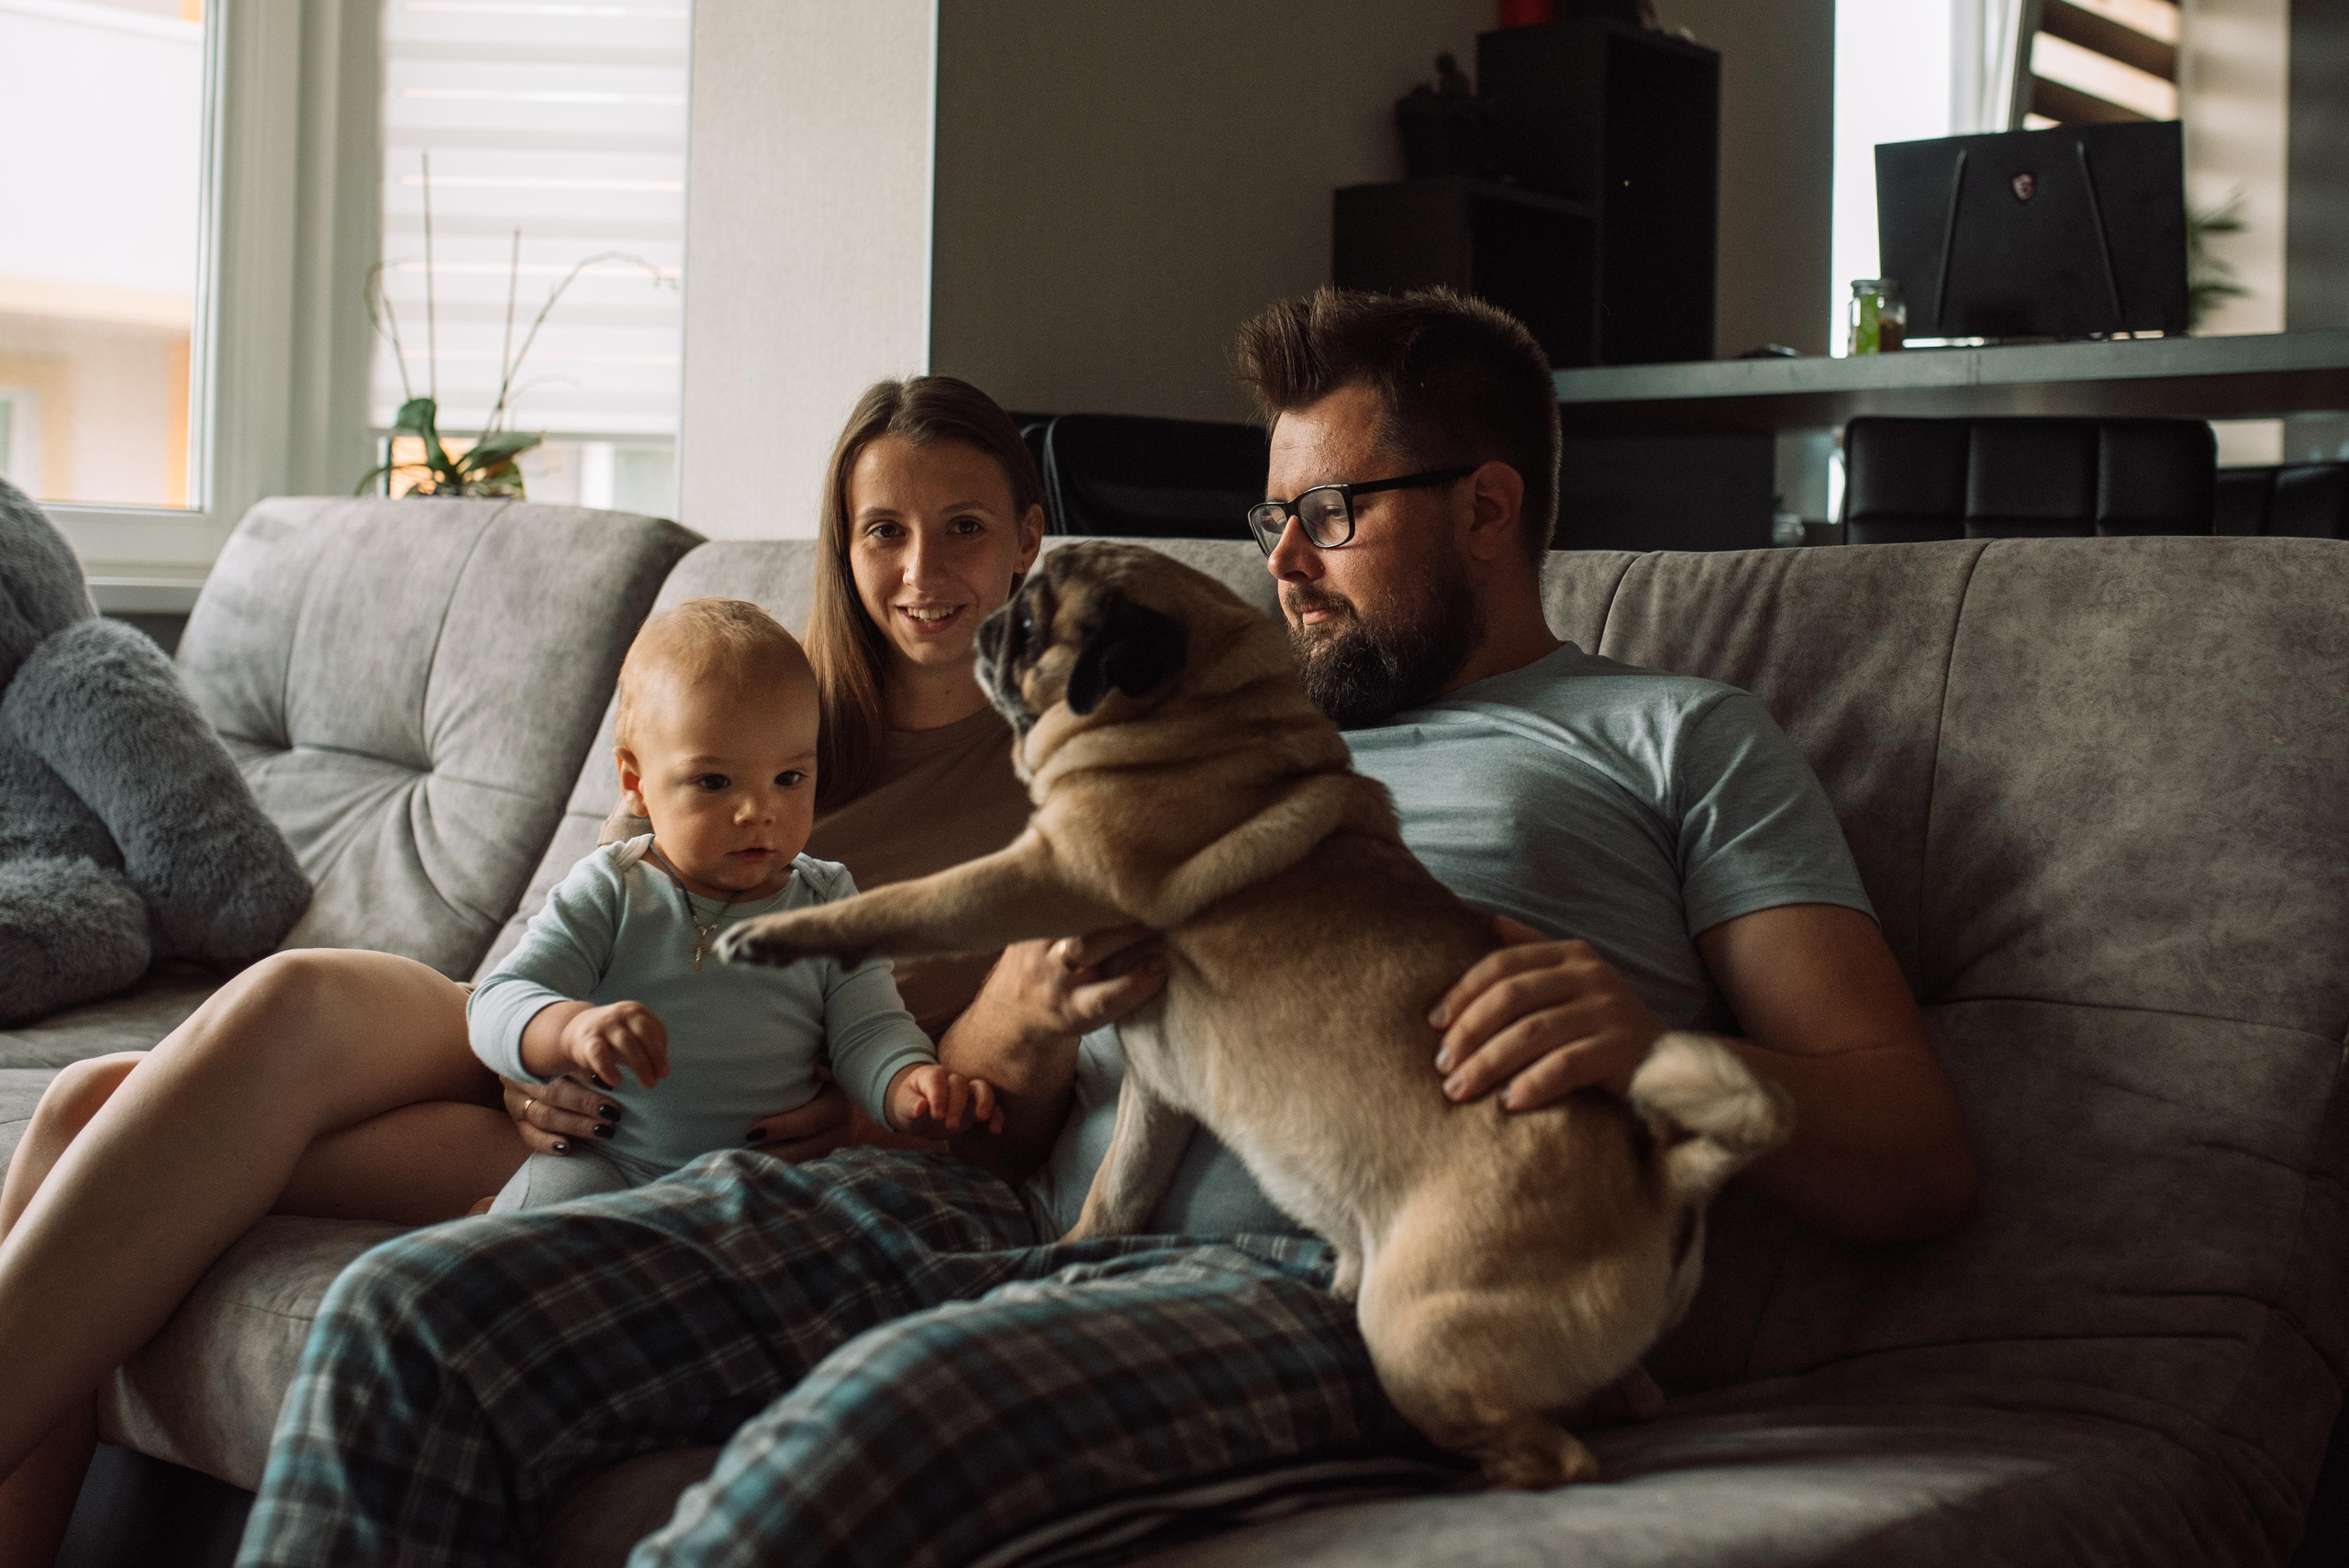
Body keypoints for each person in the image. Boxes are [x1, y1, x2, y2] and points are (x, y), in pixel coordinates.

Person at [234, 288, 1977, 1568]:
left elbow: (1910, 1151)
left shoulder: (1671, 737)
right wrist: (1042, 1001)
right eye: (1268, 513)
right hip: (1008, 1203)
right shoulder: (1166, 723)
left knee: (852, 1446)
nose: (1284, 563)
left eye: (1329, 512)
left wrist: (1644, 1039)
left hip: (1342, 1263)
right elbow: (982, 1076)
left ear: (1488, 507)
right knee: (413, 1317)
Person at [0, 375, 1064, 1564]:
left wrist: (869, 1116)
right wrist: (531, 1051)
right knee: (279, 1005)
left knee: (92, 1110)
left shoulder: (1065, 766)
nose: (923, 568)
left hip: (668, 1127)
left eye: (963, 526)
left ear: (1030, 533)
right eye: (885, 530)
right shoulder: (772, 690)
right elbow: (600, 893)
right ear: (846, 542)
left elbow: (1002, 1068)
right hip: (556, 1048)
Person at [475, 599, 998, 1215]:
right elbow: (498, 999)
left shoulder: (826, 901)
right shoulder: (612, 888)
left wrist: (907, 1083)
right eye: (715, 782)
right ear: (635, 781)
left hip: (762, 1181)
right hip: (608, 1164)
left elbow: (869, 1027)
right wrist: (568, 1028)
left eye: (789, 778)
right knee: (515, 1252)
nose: (760, 811)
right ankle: (489, 1220)